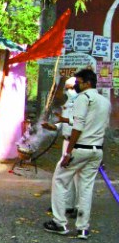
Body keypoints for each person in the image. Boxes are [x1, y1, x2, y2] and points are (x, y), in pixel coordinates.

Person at [44, 68, 110, 240]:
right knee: (86, 188)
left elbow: (79, 126)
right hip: (96, 150)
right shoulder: (104, 101)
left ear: (87, 83)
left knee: (59, 180)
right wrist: (64, 120)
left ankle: (59, 222)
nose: (75, 86)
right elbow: (95, 124)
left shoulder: (83, 98)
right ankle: (83, 228)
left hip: (80, 148)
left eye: (78, 83)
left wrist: (68, 151)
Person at [41, 76, 78, 218]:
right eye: (67, 88)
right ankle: (66, 205)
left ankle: (72, 209)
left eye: (71, 88)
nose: (68, 91)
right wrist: (53, 126)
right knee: (66, 175)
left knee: (70, 176)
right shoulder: (69, 102)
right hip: (66, 141)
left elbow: (79, 124)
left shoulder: (83, 102)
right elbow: (64, 123)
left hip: (76, 143)